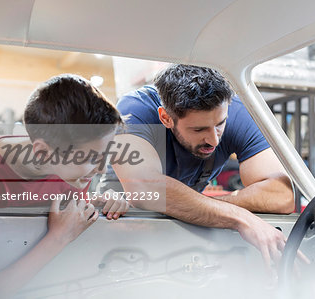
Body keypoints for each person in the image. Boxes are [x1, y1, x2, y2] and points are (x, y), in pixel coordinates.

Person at [103, 64, 295, 267]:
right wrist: (240, 216)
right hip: (117, 225)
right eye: (199, 129)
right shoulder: (134, 110)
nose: (213, 140)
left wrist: (200, 207)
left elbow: (281, 195)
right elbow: (144, 188)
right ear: (165, 118)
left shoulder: (236, 112)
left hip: (185, 229)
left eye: (220, 124)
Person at [0, 74, 128, 298]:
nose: (103, 170)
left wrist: (93, 204)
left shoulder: (72, 174)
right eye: (93, 158)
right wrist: (58, 237)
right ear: (43, 152)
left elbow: (62, 207)